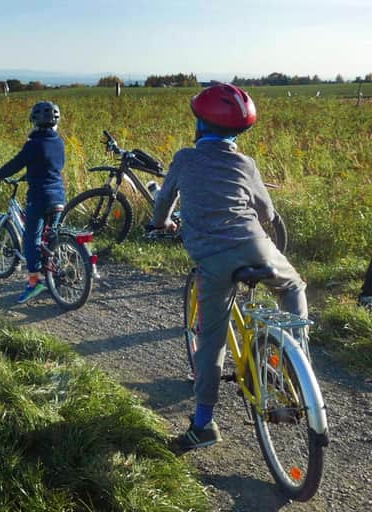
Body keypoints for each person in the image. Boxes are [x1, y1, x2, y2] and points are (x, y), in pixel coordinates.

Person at [150, 83, 308, 450]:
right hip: (257, 248)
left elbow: (162, 206)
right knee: (293, 287)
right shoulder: (246, 164)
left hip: (214, 259)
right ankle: (298, 359)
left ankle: (204, 424)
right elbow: (267, 213)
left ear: (200, 126)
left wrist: (162, 224)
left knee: (210, 341)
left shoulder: (184, 159)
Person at [0, 101, 66, 304]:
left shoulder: (33, 144)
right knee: (51, 238)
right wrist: (29, 175)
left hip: (40, 197)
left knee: (32, 239)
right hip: (59, 196)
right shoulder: (59, 142)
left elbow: (16, 163)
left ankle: (34, 281)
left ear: (34, 121)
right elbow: (49, 166)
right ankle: (53, 277)